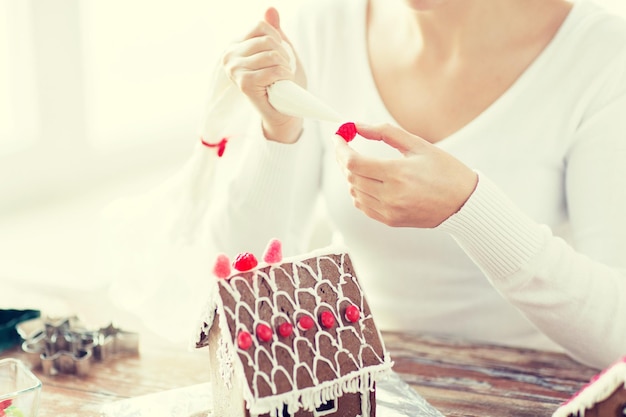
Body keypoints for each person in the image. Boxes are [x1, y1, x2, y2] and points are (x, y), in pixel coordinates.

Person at [207, 0, 626, 369]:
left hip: (534, 387)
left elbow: (617, 335)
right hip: (363, 381)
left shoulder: (600, 54)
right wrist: (278, 131)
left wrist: (469, 208)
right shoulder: (320, 27)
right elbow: (240, 289)